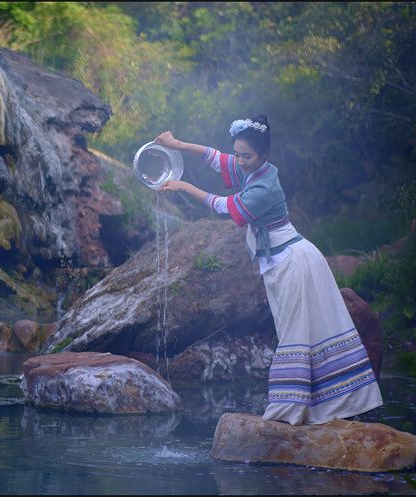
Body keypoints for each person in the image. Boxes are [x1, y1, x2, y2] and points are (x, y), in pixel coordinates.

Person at [155, 115, 383, 425]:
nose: (240, 161)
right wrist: (177, 144)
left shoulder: (263, 186)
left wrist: (183, 186)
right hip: (283, 260)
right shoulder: (255, 168)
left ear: (263, 154)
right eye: (238, 154)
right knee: (300, 330)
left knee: (296, 333)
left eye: (246, 156)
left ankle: (294, 408)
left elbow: (225, 206)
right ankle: (317, 406)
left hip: (294, 262)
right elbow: (215, 157)